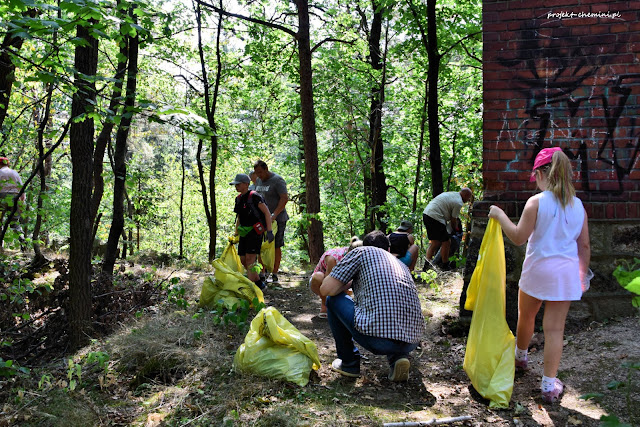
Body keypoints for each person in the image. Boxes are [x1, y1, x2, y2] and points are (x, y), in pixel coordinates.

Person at [488, 147, 590, 404]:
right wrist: (581, 275)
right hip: (565, 275)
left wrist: (500, 215)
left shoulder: (536, 202)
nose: (535, 180)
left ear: (543, 173)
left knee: (526, 317)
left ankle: (520, 358)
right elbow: (584, 246)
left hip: (537, 271)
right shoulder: (578, 206)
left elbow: (519, 237)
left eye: (535, 175)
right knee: (555, 329)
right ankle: (548, 386)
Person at [320, 230, 425, 382]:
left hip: (377, 340)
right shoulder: (400, 263)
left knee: (333, 299)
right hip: (411, 341)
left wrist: (345, 280)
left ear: (364, 245)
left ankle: (349, 363)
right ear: (388, 249)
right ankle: (398, 357)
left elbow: (325, 289)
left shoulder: (360, 252)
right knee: (389, 308)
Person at [230, 173, 274, 291]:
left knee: (250, 260)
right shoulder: (238, 199)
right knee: (243, 260)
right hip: (244, 233)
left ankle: (253, 288)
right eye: (235, 185)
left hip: (255, 233)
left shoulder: (255, 196)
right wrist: (236, 233)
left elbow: (266, 213)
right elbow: (239, 217)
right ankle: (259, 282)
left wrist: (269, 231)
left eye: (238, 184)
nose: (236, 187)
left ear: (246, 184)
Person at [309, 236, 362, 318]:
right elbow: (327, 284)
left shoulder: (355, 253)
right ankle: (325, 304)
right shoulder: (333, 258)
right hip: (322, 282)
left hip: (341, 281)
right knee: (318, 276)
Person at [253, 160, 288, 283]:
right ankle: (263, 272)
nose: (259, 175)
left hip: (278, 219)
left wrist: (274, 215)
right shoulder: (258, 180)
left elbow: (284, 198)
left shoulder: (277, 180)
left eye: (260, 172)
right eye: (256, 173)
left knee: (276, 245)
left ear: (266, 169)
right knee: (261, 245)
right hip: (262, 220)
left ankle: (274, 273)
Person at [423, 187, 473, 269]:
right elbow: (453, 220)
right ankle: (445, 265)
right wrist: (455, 230)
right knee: (446, 242)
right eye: (468, 197)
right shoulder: (459, 202)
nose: (468, 200)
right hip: (436, 217)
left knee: (435, 243)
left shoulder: (451, 193)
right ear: (465, 195)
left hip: (427, 214)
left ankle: (426, 266)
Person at [0, 156, 26, 246]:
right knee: (14, 222)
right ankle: (22, 239)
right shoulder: (14, 173)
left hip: (1, 198)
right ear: (7, 164)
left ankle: (0, 246)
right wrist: (22, 202)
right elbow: (21, 188)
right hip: (15, 198)